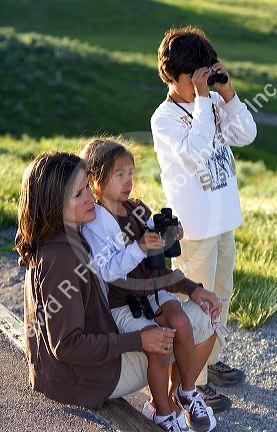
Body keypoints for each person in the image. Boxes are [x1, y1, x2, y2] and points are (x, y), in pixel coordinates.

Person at [15, 152, 179, 415]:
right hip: (76, 379)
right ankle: (165, 411)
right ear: (54, 203)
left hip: (63, 369)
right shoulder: (62, 258)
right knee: (176, 338)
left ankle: (167, 406)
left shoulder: (68, 234)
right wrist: (139, 340)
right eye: (79, 194)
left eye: (88, 188)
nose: (92, 198)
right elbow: (67, 345)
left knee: (172, 327)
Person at [80, 137, 223, 432]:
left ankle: (186, 392)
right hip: (123, 301)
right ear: (95, 178)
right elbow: (107, 270)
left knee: (181, 322)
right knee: (159, 342)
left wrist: (168, 238)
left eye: (131, 173)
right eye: (119, 175)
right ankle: (161, 412)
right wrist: (140, 247)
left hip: (152, 290)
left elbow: (155, 260)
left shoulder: (137, 209)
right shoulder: (95, 221)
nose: (128, 181)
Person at [151, 25, 257, 412]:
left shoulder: (211, 102)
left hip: (224, 219)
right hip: (195, 229)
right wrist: (201, 100)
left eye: (205, 74)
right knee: (198, 308)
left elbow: (245, 134)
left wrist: (226, 94)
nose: (202, 83)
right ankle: (191, 383)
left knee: (222, 297)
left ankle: (209, 365)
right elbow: (195, 152)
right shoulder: (164, 118)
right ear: (171, 76)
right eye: (193, 77)